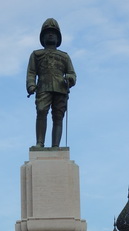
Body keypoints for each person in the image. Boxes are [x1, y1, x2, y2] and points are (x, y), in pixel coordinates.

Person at [26, 18, 76, 148]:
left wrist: (69, 78)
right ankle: (40, 143)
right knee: (41, 111)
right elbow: (31, 72)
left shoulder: (64, 56)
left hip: (60, 88)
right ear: (42, 37)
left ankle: (55, 146)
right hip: (43, 87)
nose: (50, 35)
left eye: (53, 33)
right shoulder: (36, 55)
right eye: (47, 33)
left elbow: (72, 73)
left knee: (58, 116)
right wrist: (31, 85)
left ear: (58, 38)